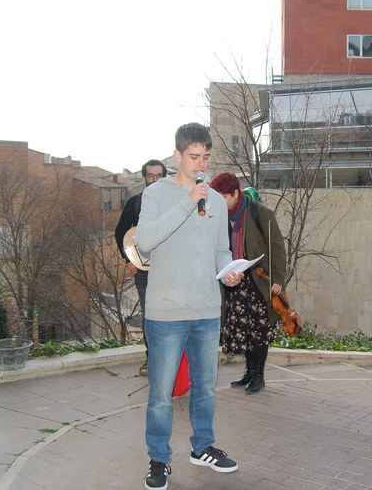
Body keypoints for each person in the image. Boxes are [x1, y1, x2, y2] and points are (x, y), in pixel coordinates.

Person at [136, 123, 242, 490]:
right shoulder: (157, 195)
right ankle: (159, 459)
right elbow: (145, 242)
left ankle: (203, 447)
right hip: (167, 312)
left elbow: (220, 250)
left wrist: (227, 272)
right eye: (194, 157)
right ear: (177, 156)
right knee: (162, 394)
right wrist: (188, 201)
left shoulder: (214, 200)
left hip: (207, 310)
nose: (201, 165)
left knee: (206, 387)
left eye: (206, 157)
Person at [210, 172, 286, 394]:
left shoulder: (259, 213)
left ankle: (258, 376)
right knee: (243, 331)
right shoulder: (220, 216)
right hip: (234, 283)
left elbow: (277, 248)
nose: (219, 202)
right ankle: (249, 372)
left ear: (235, 193)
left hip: (258, 283)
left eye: (222, 196)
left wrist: (278, 279)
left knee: (259, 332)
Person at [114, 159, 167, 377]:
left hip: (169, 269)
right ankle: (151, 358)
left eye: (159, 175)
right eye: (150, 175)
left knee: (170, 314)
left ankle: (170, 359)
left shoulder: (173, 202)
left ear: (165, 176)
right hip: (144, 270)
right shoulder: (135, 203)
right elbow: (120, 232)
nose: (154, 179)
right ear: (144, 177)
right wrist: (129, 261)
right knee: (149, 315)